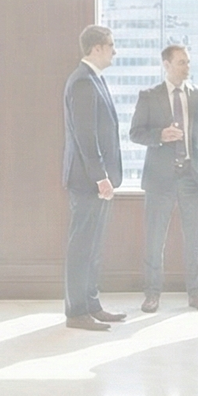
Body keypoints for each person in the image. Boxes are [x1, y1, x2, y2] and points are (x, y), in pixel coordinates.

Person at [130, 45, 198, 313]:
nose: (186, 67)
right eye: (181, 62)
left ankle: (197, 294)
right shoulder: (149, 96)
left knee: (195, 241)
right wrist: (159, 136)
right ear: (166, 64)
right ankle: (152, 294)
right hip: (159, 181)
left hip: (193, 178)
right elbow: (135, 133)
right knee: (155, 240)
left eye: (188, 62)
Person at [62, 25, 127, 331]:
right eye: (111, 45)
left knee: (93, 246)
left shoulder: (94, 80)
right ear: (96, 48)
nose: (114, 51)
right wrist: (101, 177)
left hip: (97, 180)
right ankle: (77, 312)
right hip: (88, 180)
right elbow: (86, 137)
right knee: (82, 246)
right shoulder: (82, 83)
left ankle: (91, 304)